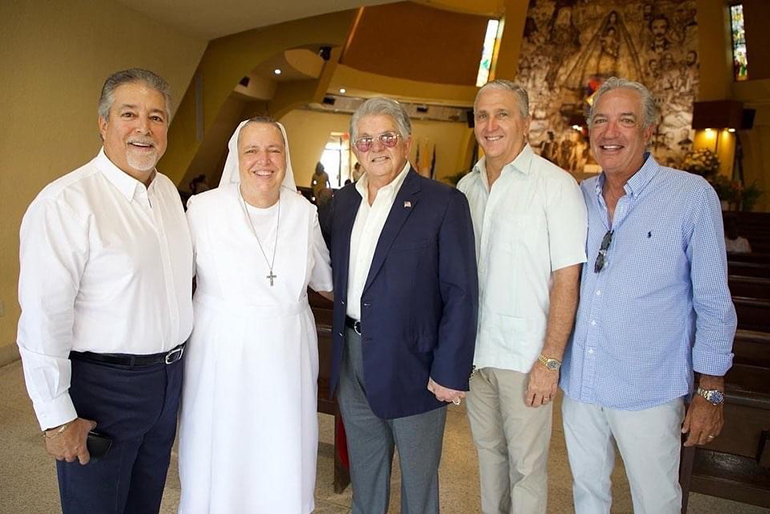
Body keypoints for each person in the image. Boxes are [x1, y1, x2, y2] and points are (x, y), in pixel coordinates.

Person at [16, 68, 192, 513]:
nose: (143, 128)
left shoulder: (169, 192)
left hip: (166, 381)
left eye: (156, 117)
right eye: (128, 114)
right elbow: (42, 318)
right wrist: (56, 419)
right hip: (103, 388)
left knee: (143, 503)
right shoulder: (66, 203)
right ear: (103, 124)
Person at [560, 77, 737, 514]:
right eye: (600, 120)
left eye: (625, 120)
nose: (609, 132)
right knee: (587, 494)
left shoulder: (691, 195)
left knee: (656, 501)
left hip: (650, 387)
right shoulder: (576, 197)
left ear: (648, 131)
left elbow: (713, 300)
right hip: (582, 380)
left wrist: (709, 390)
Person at [324, 97, 478, 514]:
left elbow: (462, 293)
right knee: (367, 474)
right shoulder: (341, 204)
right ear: (355, 148)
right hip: (352, 358)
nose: (376, 147)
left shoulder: (443, 203)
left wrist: (450, 372)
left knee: (417, 481)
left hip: (417, 365)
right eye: (365, 140)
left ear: (407, 142)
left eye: (386, 136)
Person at [177, 118, 332, 513]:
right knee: (223, 449)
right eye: (252, 150)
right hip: (220, 353)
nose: (264, 160)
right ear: (236, 156)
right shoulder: (203, 208)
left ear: (285, 157)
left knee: (282, 449)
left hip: (287, 355)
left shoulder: (304, 212)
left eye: (274, 150)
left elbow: (327, 283)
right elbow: (172, 278)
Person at [457, 80, 587, 514]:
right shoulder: (465, 189)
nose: (490, 125)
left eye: (503, 114)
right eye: (482, 116)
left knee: (528, 471)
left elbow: (567, 282)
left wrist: (549, 361)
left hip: (526, 358)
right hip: (475, 356)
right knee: (489, 459)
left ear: (526, 122)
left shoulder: (556, 186)